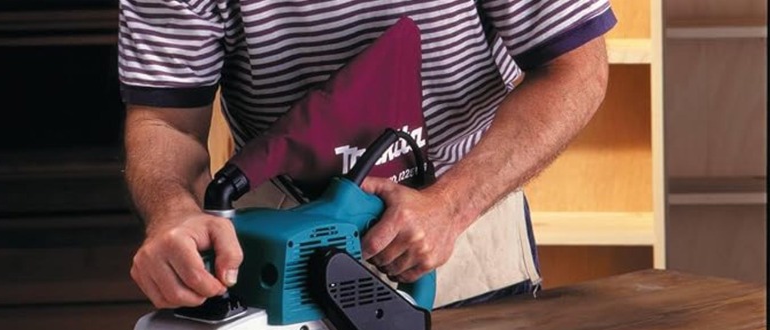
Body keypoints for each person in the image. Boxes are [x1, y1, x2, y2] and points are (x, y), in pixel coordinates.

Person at [119, 0, 615, 309]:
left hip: (463, 215)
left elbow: (576, 69)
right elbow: (167, 120)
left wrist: (450, 206)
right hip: (279, 233)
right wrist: (172, 214)